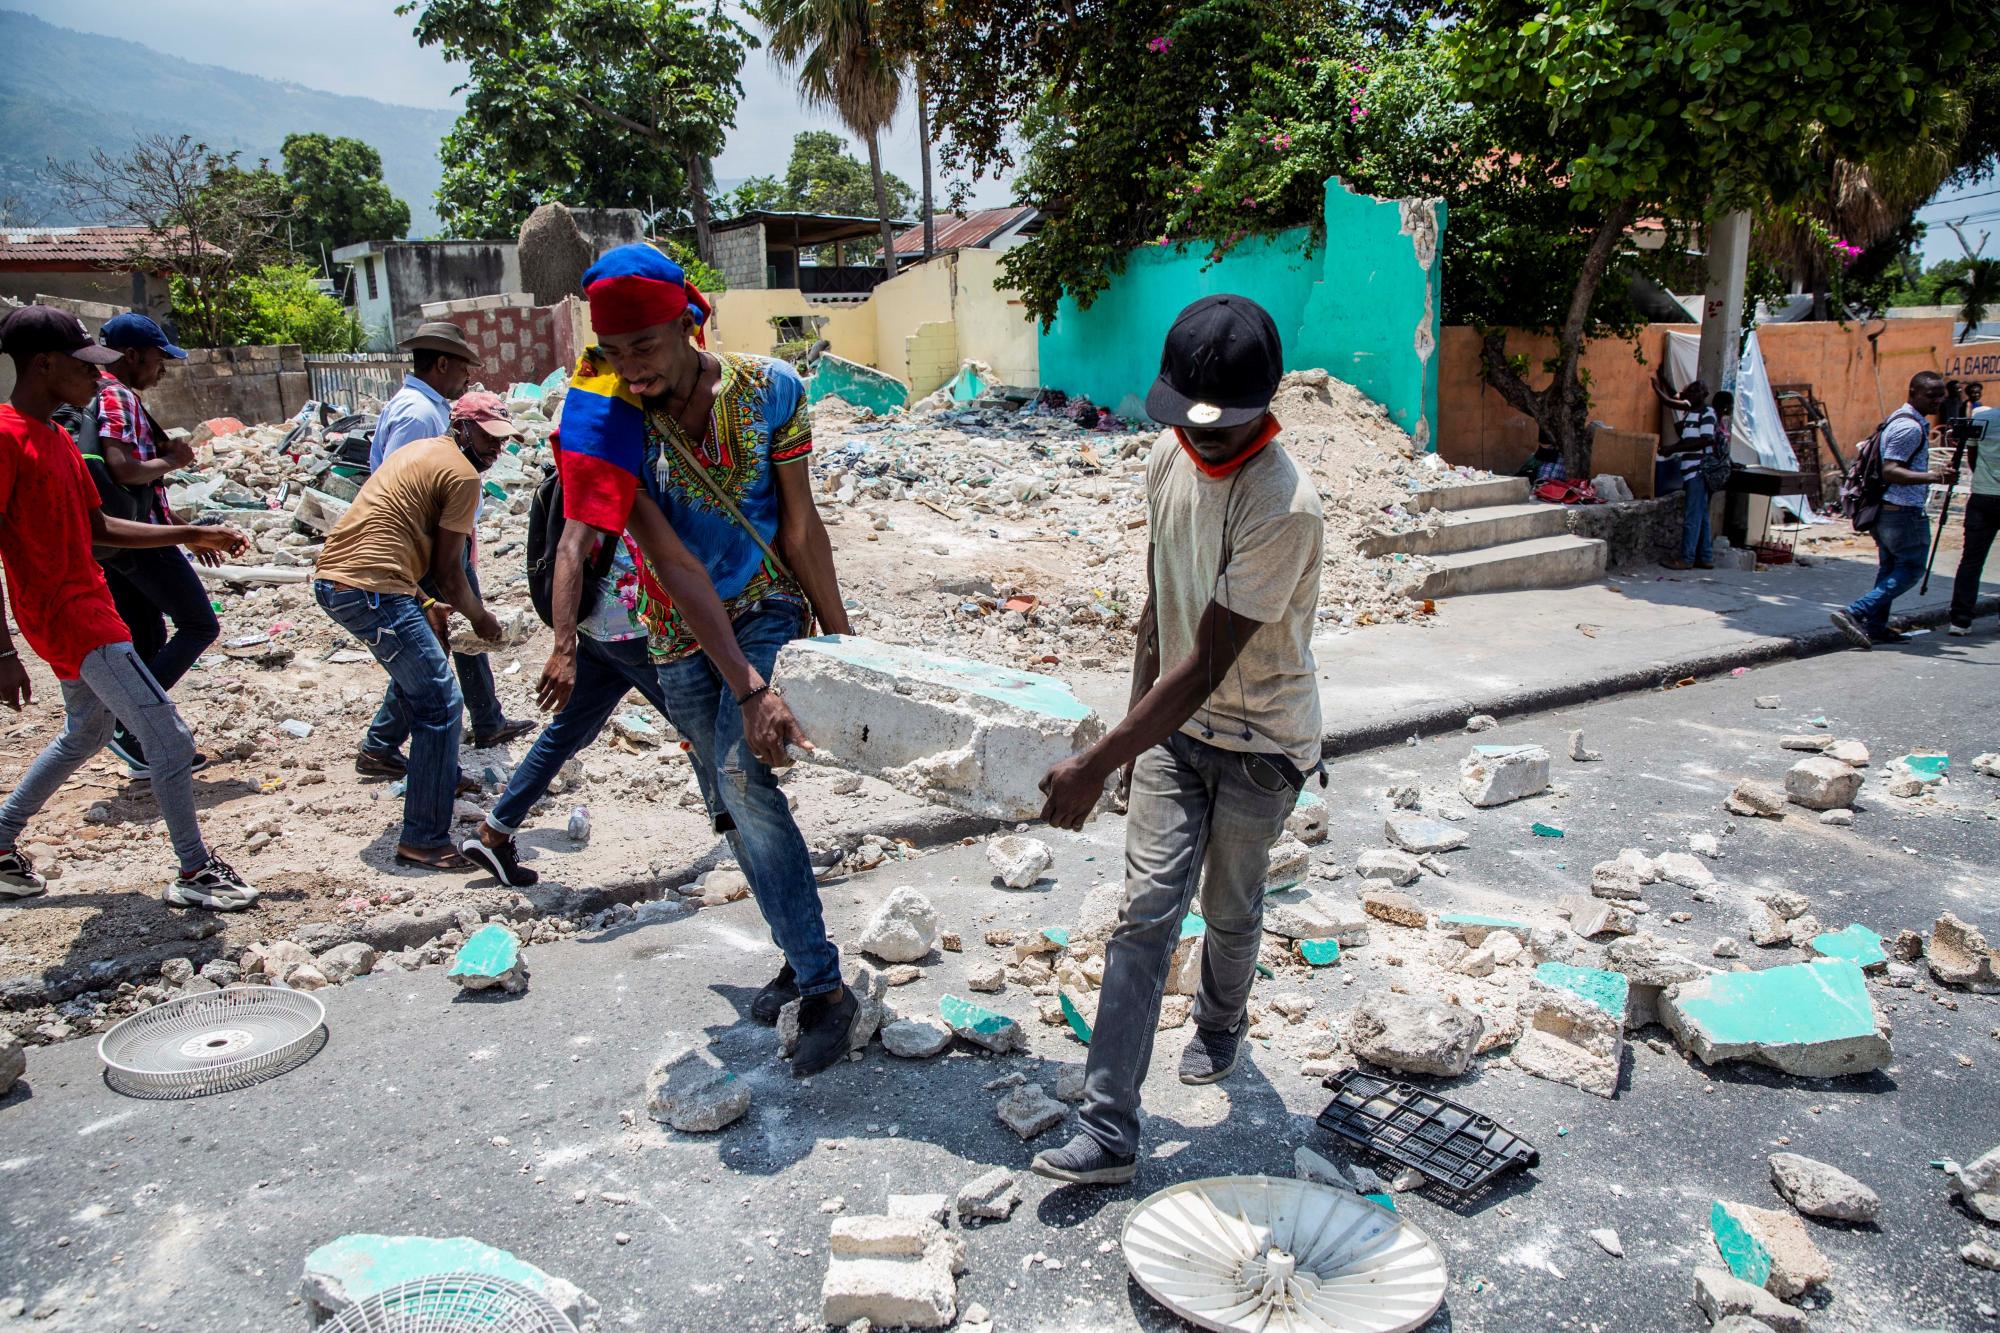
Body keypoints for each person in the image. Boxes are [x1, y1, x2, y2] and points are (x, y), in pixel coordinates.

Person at [1030, 295, 1324, 1187]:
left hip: (1262, 740)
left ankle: (1221, 1020)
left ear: (1263, 410)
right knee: (1146, 914)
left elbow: (1204, 667)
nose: (1202, 441)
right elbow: (1159, 608)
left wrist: (1097, 759)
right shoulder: (1168, 454)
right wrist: (1129, 749)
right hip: (1173, 729)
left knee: (1229, 909)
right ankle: (1107, 1128)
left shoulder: (1284, 505)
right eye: (1189, 424)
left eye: (1219, 428)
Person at [551, 243, 855, 1077]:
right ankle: (798, 946)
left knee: (744, 781)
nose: (630, 368)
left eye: (644, 346)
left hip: (765, 605)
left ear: (688, 324)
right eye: (614, 352)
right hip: (676, 626)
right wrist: (746, 687)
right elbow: (673, 562)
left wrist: (844, 644)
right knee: (727, 798)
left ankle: (825, 987)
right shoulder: (608, 414)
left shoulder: (771, 390)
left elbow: (801, 527)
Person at [0, 306, 257, 909]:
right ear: (44, 364)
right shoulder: (7, 438)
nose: (98, 376)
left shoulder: (57, 437)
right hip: (68, 616)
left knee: (87, 733)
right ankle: (195, 870)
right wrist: (2, 652)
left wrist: (190, 533)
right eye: (86, 366)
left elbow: (99, 529)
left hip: (88, 603)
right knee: (169, 740)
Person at [313, 391, 515, 869]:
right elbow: (450, 572)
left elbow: (396, 535)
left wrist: (425, 603)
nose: (495, 448)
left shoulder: (418, 452)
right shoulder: (463, 475)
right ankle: (423, 838)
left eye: (502, 440)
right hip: (371, 588)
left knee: (420, 682)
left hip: (341, 580)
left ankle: (429, 774)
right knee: (441, 703)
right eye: (488, 436)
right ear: (461, 427)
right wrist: (483, 620)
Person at [356, 320, 531, 775]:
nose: (467, 377)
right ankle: (385, 744)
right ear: (440, 364)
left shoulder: (427, 408)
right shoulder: (419, 414)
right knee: (433, 649)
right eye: (463, 367)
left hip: (442, 540)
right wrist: (442, 566)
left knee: (453, 634)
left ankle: (487, 720)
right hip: (429, 546)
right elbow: (404, 489)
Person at [58, 313, 221, 777]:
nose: (162, 369)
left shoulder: (99, 393)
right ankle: (130, 723)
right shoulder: (119, 395)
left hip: (121, 537)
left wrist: (184, 526)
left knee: (146, 636)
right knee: (199, 624)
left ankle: (140, 737)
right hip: (137, 540)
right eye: (157, 358)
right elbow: (125, 470)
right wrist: (173, 460)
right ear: (131, 355)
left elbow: (136, 489)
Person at [459, 533, 665, 886]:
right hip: (637, 626)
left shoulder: (574, 496)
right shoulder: (618, 493)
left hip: (596, 623)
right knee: (702, 729)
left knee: (564, 733)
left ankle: (493, 833)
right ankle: (742, 832)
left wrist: (565, 644)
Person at [1831, 371, 1958, 648]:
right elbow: (1891, 470)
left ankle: (1876, 626)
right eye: (1931, 395)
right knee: (1911, 570)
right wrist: (1935, 476)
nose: (1937, 401)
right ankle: (1854, 612)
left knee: (1889, 570)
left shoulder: (1902, 420)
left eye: (1941, 396)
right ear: (1913, 393)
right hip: (1902, 511)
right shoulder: (1909, 428)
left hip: (1890, 511)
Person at [1652, 370, 1719, 570]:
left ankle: (1686, 558)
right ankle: (1705, 557)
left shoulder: (1706, 413)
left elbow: (1705, 440)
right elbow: (1672, 401)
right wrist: (1661, 385)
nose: (1689, 395)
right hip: (1691, 470)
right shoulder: (1691, 412)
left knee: (1692, 517)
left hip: (1698, 470)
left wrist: (1673, 448)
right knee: (1701, 516)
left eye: (1693, 392)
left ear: (1702, 395)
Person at [1947, 389, 1999, 636]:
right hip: (1985, 495)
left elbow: (1972, 457)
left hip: (1982, 496)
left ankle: (1960, 620)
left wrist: (1986, 480)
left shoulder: (1982, 418)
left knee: (1971, 560)